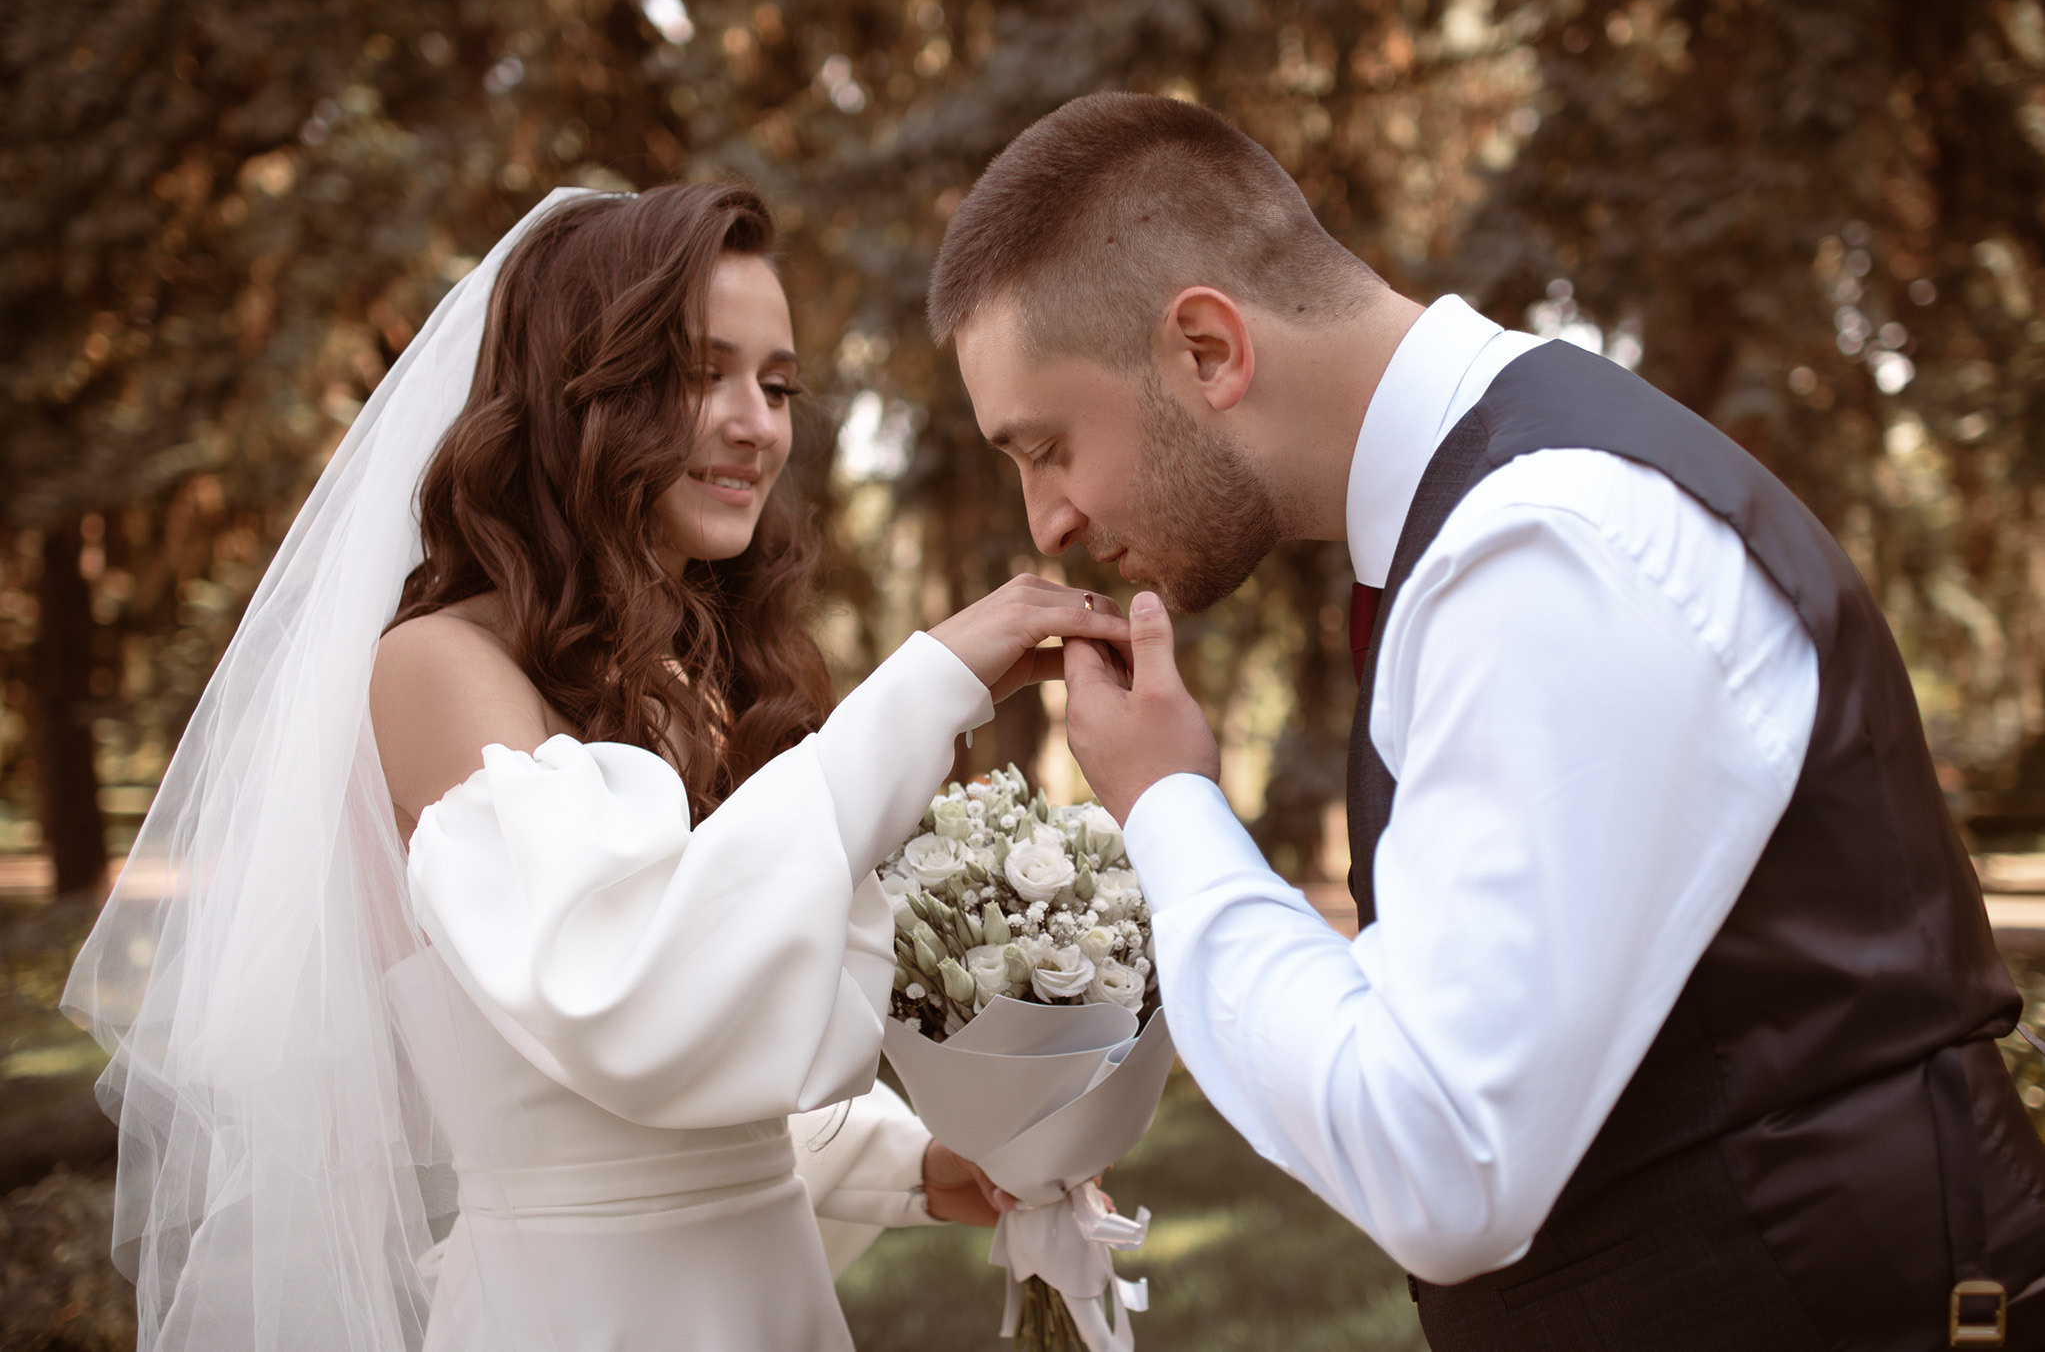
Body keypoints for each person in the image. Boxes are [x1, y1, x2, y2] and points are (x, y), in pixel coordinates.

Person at [926, 92, 2045, 1349]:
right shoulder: (1480, 526)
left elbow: (1440, 1157)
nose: (1046, 521)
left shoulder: (1544, 546)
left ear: (1205, 349)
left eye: (1045, 447)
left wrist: (1168, 805)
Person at [63, 182, 1129, 1352]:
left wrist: (914, 1162)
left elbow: (716, 1036)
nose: (756, 424)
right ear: (578, 393)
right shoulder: (436, 668)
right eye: (699, 374)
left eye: (778, 386)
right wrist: (925, 688)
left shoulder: (693, 673)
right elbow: (625, 999)